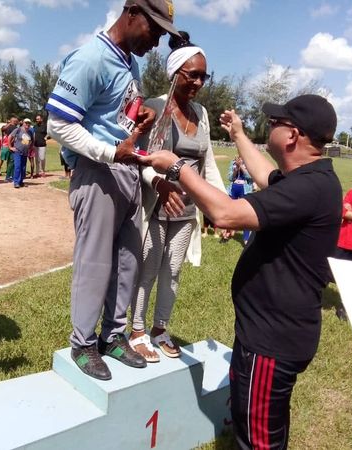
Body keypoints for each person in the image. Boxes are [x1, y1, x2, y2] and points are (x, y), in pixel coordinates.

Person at [139, 94, 341, 448]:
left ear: (292, 135)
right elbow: (265, 176)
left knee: (259, 441)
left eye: (277, 122)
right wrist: (238, 134)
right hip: (268, 333)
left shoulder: (309, 188)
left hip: (272, 342)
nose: (271, 126)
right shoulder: (309, 178)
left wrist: (178, 168)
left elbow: (226, 214)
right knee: (264, 426)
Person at [46, 0, 179, 380]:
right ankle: (83, 343)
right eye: (153, 30)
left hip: (126, 172)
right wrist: (110, 150)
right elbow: (58, 124)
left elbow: (113, 116)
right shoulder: (91, 58)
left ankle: (113, 335)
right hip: (98, 170)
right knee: (94, 262)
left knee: (127, 261)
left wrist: (139, 116)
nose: (155, 41)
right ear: (132, 12)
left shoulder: (128, 62)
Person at [129, 32, 226, 363]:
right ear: (175, 74)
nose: (199, 82)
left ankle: (160, 329)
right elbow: (141, 160)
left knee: (172, 272)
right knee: (148, 269)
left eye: (203, 76)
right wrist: (159, 184)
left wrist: (219, 206)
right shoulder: (154, 108)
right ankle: (138, 331)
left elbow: (207, 162)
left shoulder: (201, 113)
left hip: (186, 212)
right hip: (157, 206)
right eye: (192, 74)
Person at [226, 155, 253, 244]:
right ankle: (228, 232)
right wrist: (236, 168)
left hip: (245, 190)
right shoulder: (233, 162)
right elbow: (230, 178)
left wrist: (241, 166)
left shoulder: (249, 162)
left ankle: (246, 239)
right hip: (233, 190)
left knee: (245, 215)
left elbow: (250, 177)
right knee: (230, 213)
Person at [9, 118, 34, 188]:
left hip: (25, 152)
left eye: (29, 123)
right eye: (26, 123)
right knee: (17, 167)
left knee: (23, 168)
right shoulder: (18, 130)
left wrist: (30, 148)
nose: (27, 124)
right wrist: (10, 147)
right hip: (17, 151)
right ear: (23, 123)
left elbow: (32, 141)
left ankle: (21, 181)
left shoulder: (30, 132)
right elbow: (10, 137)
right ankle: (16, 182)